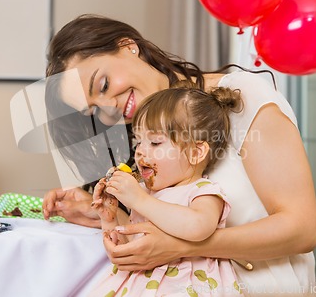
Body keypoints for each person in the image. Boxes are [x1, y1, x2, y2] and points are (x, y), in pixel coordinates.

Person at [42, 14, 316, 295]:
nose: (108, 108)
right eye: (94, 111)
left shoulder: (241, 97)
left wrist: (181, 247)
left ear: (128, 46)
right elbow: (163, 220)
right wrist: (100, 210)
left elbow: (302, 229)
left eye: (102, 85)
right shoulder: (143, 139)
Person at [90, 85, 242, 296]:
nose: (141, 151)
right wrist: (110, 220)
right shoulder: (146, 193)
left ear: (195, 152)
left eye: (154, 142)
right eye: (139, 141)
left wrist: (139, 200)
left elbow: (199, 227)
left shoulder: (201, 191)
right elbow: (132, 250)